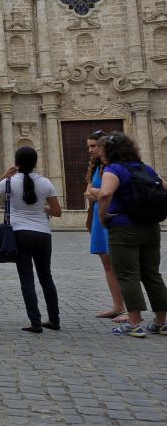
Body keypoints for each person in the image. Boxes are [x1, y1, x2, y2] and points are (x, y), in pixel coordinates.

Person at [95, 132, 167, 337]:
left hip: (124, 228)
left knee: (128, 275)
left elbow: (106, 193)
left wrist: (103, 216)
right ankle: (162, 322)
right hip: (150, 227)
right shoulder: (146, 168)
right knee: (152, 274)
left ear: (109, 151)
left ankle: (134, 324)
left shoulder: (113, 169)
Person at [0, 146, 62, 333]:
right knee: (46, 277)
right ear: (35, 162)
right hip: (43, 234)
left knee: (27, 279)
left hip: (20, 233)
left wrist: (5, 175)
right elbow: (57, 211)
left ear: (17, 163)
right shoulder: (45, 182)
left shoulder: (10, 182)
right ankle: (54, 319)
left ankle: (35, 322)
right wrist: (40, 208)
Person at [84, 130, 126, 321]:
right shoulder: (94, 167)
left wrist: (97, 193)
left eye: (94, 146)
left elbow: (104, 193)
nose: (91, 150)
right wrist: (97, 192)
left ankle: (130, 310)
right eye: (89, 147)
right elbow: (89, 192)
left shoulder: (117, 167)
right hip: (98, 218)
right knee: (107, 264)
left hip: (113, 216)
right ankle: (118, 306)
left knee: (122, 264)